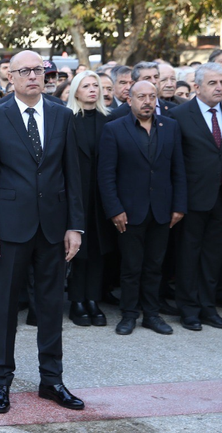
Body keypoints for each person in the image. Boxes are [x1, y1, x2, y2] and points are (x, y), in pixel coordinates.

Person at [0, 50, 85, 414]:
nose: (33, 76)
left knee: (51, 306)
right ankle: (0, 382)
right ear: (11, 76)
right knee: (5, 307)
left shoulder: (62, 115)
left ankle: (51, 380)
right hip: (9, 229)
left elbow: (73, 176)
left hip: (54, 227)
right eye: (25, 71)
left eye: (39, 70)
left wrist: (75, 225)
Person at [98, 80, 186, 336]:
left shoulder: (170, 127)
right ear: (129, 100)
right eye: (141, 97)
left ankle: (151, 315)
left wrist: (179, 206)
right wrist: (114, 209)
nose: (147, 101)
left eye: (152, 96)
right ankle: (128, 315)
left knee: (154, 266)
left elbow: (178, 169)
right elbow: (106, 175)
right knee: (131, 266)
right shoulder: (113, 129)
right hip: (128, 211)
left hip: (162, 210)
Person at [169, 63, 222, 331]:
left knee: (213, 256)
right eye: (213, 83)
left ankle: (207, 307)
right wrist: (178, 201)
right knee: (188, 255)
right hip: (191, 198)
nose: (219, 87)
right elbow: (175, 163)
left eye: (221, 82)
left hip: (219, 199)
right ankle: (188, 309)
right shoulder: (179, 115)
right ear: (197, 87)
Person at [64, 71, 113, 327]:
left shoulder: (111, 119)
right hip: (76, 192)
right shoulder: (66, 118)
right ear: (76, 91)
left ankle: (93, 299)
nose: (93, 89)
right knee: (78, 248)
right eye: (86, 85)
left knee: (98, 248)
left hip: (102, 194)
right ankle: (76, 301)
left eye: (96, 85)